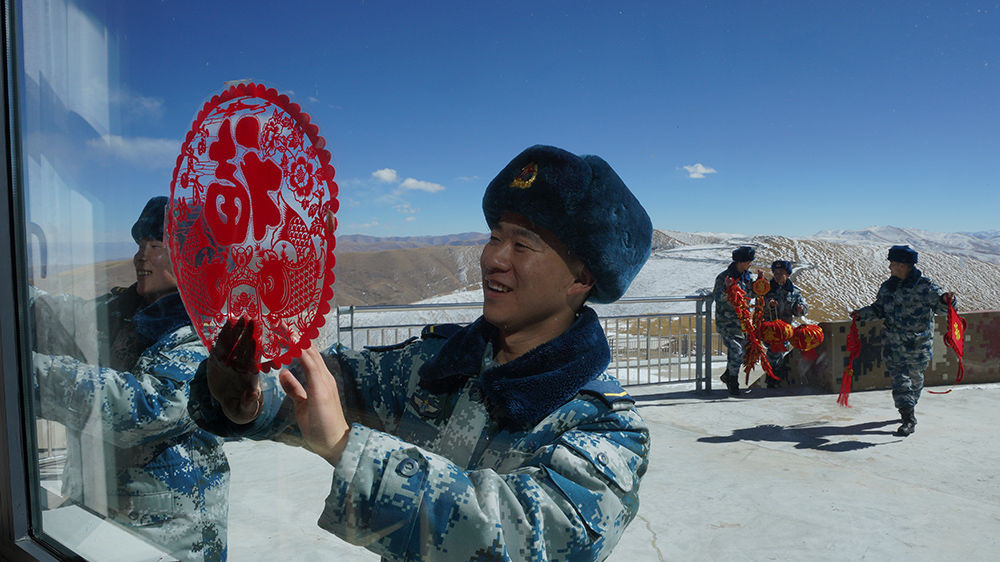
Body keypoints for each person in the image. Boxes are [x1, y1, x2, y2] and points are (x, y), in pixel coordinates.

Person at [187, 145, 653, 561]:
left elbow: (521, 538)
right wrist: (250, 391)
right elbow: (332, 386)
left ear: (581, 278)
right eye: (494, 236)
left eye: (522, 244)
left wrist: (346, 448)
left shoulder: (607, 429)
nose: (493, 258)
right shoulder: (435, 366)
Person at [30, 196, 229, 561]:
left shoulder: (205, 330)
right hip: (95, 517)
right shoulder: (125, 310)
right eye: (140, 245)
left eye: (156, 246)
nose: (141, 256)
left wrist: (32, 375)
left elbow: (149, 407)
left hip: (167, 535)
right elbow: (57, 319)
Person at [851, 245, 956, 437]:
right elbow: (878, 309)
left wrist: (948, 300)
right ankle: (908, 418)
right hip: (893, 344)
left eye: (893, 263)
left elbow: (943, 308)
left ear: (903, 265)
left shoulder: (926, 287)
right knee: (900, 380)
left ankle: (909, 406)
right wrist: (861, 314)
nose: (890, 267)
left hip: (918, 345)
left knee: (915, 380)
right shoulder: (887, 287)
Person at [712, 245, 756, 396]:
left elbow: (752, 294)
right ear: (740, 262)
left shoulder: (748, 277)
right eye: (748, 261)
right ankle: (732, 380)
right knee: (736, 350)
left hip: (742, 323)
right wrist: (727, 289)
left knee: (741, 352)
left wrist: (762, 285)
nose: (750, 264)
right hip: (727, 322)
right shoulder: (723, 277)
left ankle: (727, 375)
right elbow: (717, 297)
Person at [763, 259, 807, 388]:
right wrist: (769, 304)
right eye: (775, 272)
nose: (777, 275)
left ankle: (776, 378)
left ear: (787, 274)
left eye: (781, 272)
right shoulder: (767, 289)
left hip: (786, 330)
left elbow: (801, 309)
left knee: (781, 352)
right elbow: (760, 304)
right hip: (770, 329)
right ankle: (771, 379)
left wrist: (799, 309)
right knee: (774, 351)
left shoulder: (795, 292)